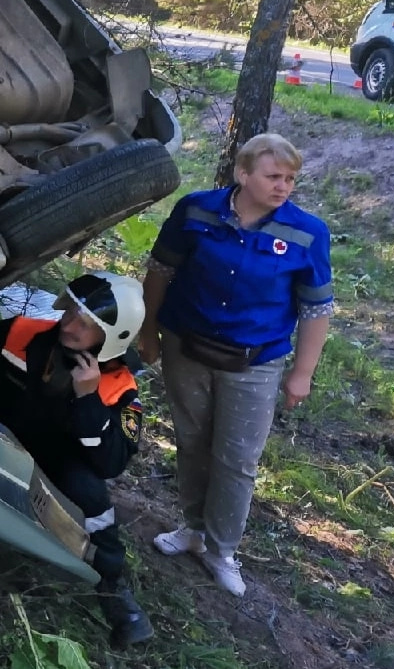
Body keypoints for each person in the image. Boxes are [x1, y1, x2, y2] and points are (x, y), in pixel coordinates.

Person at [138, 132, 332, 598]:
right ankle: (191, 529)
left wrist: (301, 372)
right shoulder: (196, 210)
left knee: (237, 458)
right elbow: (160, 271)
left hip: (255, 362)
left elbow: (316, 309)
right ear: (242, 174)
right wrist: (147, 331)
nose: (283, 186)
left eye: (290, 178)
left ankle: (221, 550)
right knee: (190, 439)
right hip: (186, 347)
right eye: (273, 176)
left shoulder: (308, 233)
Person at [0, 272, 154, 648]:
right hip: (2, 435)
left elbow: (110, 464)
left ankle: (115, 592)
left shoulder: (120, 387)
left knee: (91, 498)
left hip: (60, 466)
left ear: (111, 337)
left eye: (86, 324)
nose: (70, 326)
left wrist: (87, 398)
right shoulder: (23, 333)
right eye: (72, 311)